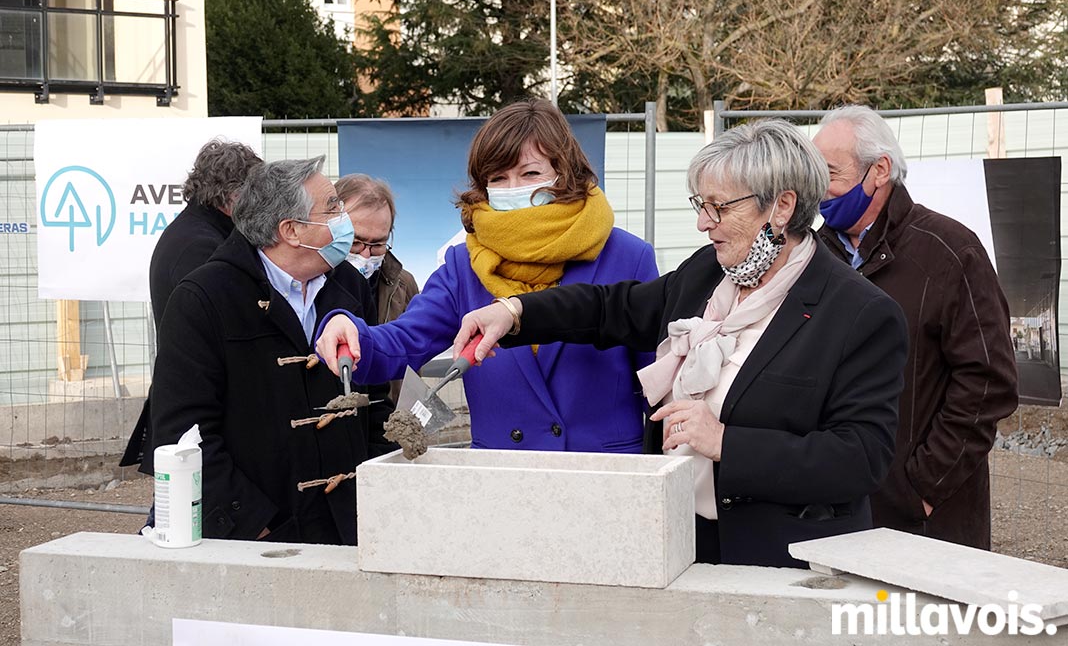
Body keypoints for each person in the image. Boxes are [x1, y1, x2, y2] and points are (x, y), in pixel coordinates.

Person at [448, 119, 908, 567]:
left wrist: (727, 442)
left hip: (778, 559)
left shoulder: (860, 314)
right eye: (700, 205)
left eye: (720, 208)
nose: (703, 224)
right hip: (679, 543)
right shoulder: (709, 273)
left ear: (781, 207)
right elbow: (613, 308)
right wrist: (514, 313)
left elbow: (860, 458)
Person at [316, 99, 659, 453]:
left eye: (530, 174)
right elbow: (403, 343)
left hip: (607, 479)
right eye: (498, 177)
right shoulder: (463, 265)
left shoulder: (629, 257)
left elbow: (659, 385)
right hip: (498, 480)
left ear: (565, 173)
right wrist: (351, 333)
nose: (513, 188)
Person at [145, 157, 394, 544]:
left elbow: (374, 396)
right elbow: (185, 432)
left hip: (353, 525)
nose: (344, 217)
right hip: (260, 539)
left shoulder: (348, 285)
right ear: (291, 230)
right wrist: (256, 525)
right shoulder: (205, 298)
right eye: (332, 206)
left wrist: (375, 488)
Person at [813, 105, 1018, 550]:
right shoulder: (813, 257)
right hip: (831, 509)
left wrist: (921, 488)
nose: (818, 190)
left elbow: (988, 382)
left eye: (829, 173)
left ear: (879, 170)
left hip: (925, 523)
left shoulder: (950, 251)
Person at [120, 138, 262, 469]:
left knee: (183, 509)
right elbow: (224, 325)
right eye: (255, 194)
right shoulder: (202, 246)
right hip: (197, 411)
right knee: (185, 510)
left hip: (194, 405)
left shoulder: (197, 233)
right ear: (233, 196)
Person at [335, 174, 420, 403]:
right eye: (355, 242)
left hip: (387, 417)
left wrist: (412, 422)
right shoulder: (311, 283)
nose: (365, 254)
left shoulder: (404, 284)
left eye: (377, 245)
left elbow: (412, 369)